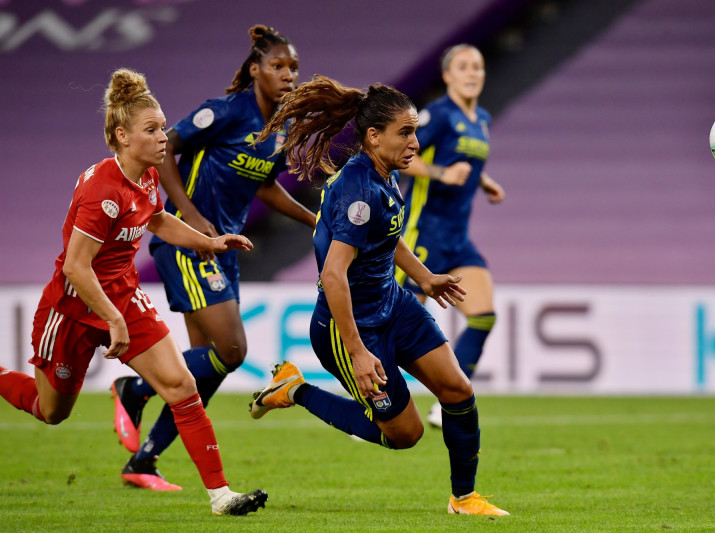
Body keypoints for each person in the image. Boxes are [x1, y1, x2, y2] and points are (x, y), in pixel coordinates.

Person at [0, 68, 267, 516]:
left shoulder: (145, 177)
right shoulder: (102, 191)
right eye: (152, 130)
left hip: (122, 296)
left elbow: (157, 219)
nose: (164, 137)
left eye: (162, 127)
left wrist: (211, 241)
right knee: (52, 411)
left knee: (181, 386)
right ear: (122, 136)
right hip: (71, 307)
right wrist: (113, 319)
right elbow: (76, 267)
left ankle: (221, 496)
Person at [248, 75, 509, 516]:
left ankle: (464, 499)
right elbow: (333, 276)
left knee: (458, 390)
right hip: (350, 326)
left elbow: (387, 235)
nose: (415, 142)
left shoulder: (383, 174)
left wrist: (424, 277)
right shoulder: (359, 191)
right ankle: (295, 389)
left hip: (393, 304)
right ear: (373, 136)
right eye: (405, 133)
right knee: (406, 434)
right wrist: (357, 352)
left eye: (415, 132)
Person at [109, 25, 316, 491]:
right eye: (278, 66)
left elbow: (265, 185)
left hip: (224, 249)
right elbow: (164, 151)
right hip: (188, 243)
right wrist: (190, 215)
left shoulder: (279, 129)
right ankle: (135, 387)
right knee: (232, 351)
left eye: (294, 67)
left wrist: (313, 219)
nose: (288, 74)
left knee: (206, 369)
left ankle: (144, 460)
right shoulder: (224, 111)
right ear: (255, 69)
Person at [394, 44, 505, 428]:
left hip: (458, 239)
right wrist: (442, 174)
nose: (472, 73)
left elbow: (464, 160)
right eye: (463, 67)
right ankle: (376, 406)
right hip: (422, 234)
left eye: (477, 66)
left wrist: (484, 181)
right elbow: (399, 155)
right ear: (447, 76)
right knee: (396, 330)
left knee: (483, 316)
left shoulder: (481, 118)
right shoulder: (437, 115)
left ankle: (448, 401)